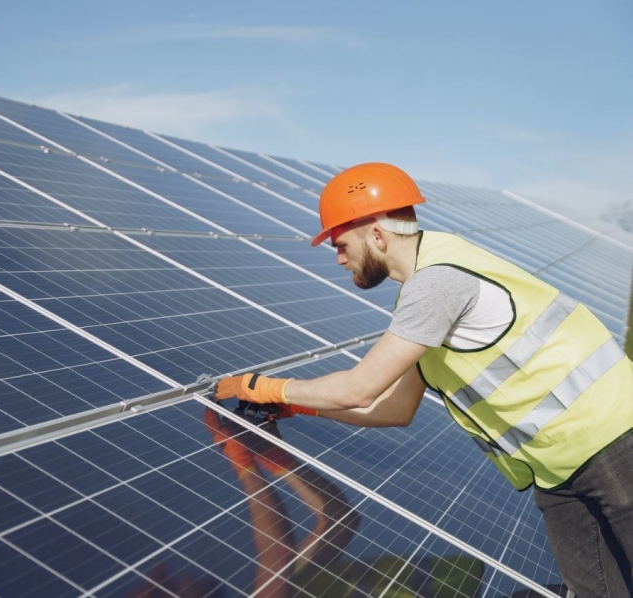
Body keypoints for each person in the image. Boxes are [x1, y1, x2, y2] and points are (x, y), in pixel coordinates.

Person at [214, 162, 633, 597]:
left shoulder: (437, 283)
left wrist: (263, 386)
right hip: (559, 469)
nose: (339, 258)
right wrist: (299, 406)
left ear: (377, 234)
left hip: (615, 444)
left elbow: (361, 387)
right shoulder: (428, 283)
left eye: (341, 244)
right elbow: (393, 408)